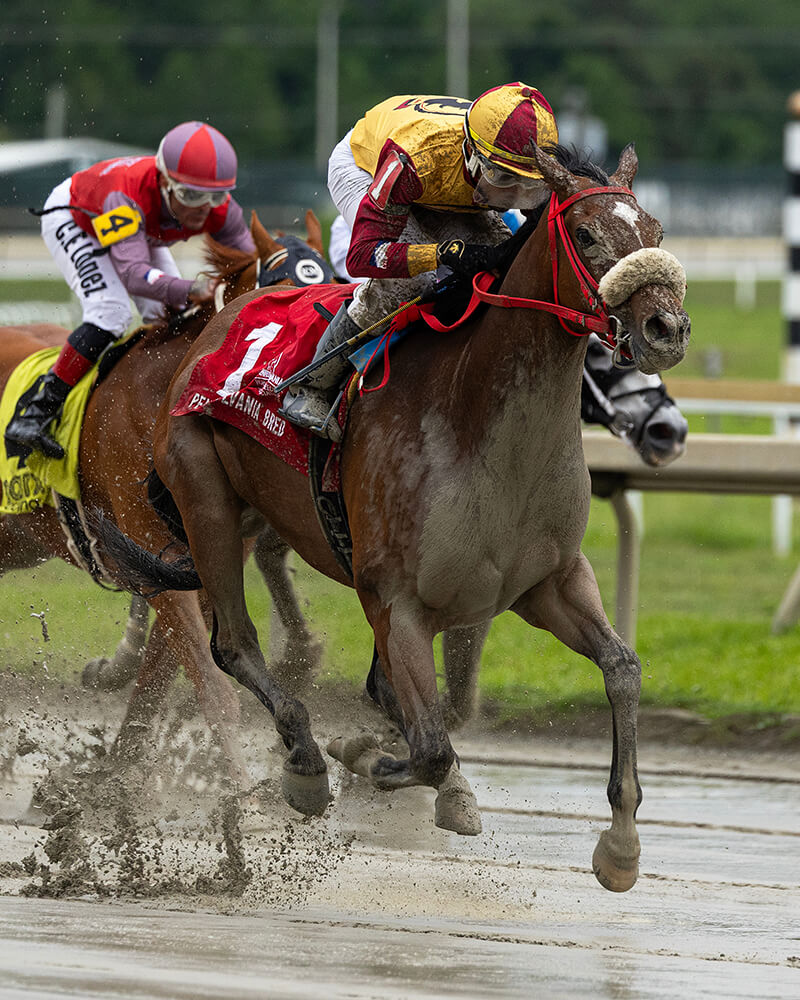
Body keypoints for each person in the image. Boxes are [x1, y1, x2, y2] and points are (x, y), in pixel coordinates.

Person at [280, 83, 559, 438]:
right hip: (369, 164)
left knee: (507, 271)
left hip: (450, 180)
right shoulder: (415, 159)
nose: (513, 197)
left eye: (527, 184)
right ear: (471, 151)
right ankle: (312, 385)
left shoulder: (514, 160)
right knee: (408, 283)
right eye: (503, 179)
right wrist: (440, 253)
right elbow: (363, 257)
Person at [5, 120, 256, 461]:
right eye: (191, 196)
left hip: (140, 226)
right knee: (111, 313)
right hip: (80, 217)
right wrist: (192, 287)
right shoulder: (123, 196)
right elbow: (135, 275)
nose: (203, 209)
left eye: (214, 196)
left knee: (168, 318)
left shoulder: (222, 210)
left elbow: (253, 263)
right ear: (165, 181)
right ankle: (36, 411)